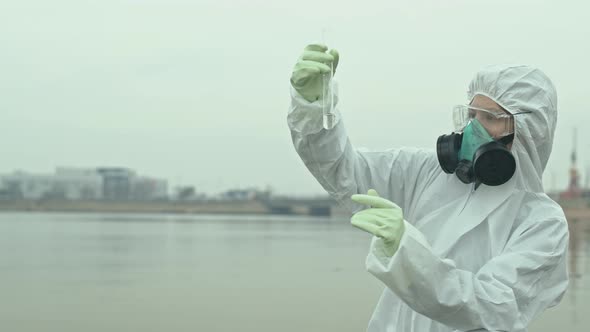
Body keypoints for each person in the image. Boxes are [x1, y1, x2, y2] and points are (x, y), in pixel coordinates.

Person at [288, 44, 569, 332]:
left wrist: (407, 253)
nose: (473, 129)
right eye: (473, 115)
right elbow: (342, 171)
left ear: (529, 131)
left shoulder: (542, 223)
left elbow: (492, 305)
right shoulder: (427, 171)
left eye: (491, 118)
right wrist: (313, 106)